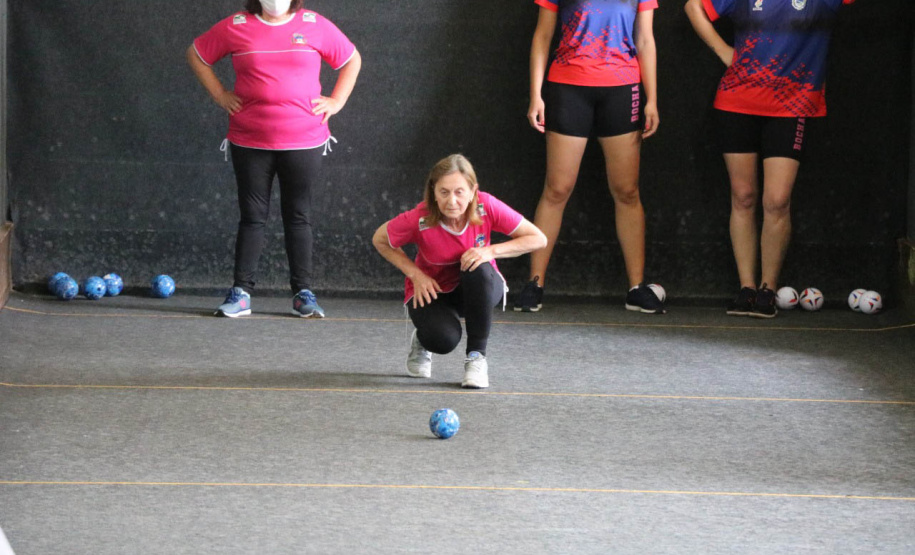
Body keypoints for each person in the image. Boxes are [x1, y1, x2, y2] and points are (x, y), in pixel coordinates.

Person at [187, 0, 361, 318]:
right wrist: (220, 95)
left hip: (304, 140)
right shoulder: (236, 25)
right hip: (249, 140)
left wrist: (336, 101)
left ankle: (303, 295)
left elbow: (351, 60)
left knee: (298, 216)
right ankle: (241, 294)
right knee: (253, 216)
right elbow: (197, 54)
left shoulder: (314, 24)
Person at [685, 0, 856, 318]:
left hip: (792, 104)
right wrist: (724, 50)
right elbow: (694, 5)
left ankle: (768, 288)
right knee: (743, 196)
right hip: (737, 101)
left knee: (776, 200)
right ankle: (747, 288)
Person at [513, 0, 665, 314]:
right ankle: (535, 283)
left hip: (623, 89)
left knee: (627, 191)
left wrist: (652, 99)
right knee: (557, 189)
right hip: (568, 87)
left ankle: (636, 288)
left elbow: (645, 39)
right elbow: (543, 35)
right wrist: (535, 95)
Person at [373, 155, 547, 389]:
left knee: (478, 266)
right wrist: (416, 275)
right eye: (444, 192)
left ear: (473, 191)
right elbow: (381, 239)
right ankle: (423, 340)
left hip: (477, 287)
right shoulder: (420, 218)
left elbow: (538, 238)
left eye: (459, 192)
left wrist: (490, 251)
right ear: (433, 191)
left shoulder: (486, 206)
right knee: (443, 340)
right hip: (433, 291)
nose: (452, 201)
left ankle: (476, 357)